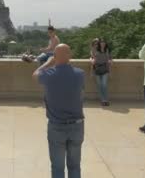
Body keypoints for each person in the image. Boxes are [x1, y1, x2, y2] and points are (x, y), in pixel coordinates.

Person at [33, 44, 84, 178]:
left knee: (57, 167)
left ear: (55, 57)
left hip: (56, 126)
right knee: (75, 165)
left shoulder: (49, 75)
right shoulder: (80, 74)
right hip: (77, 126)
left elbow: (35, 75)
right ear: (70, 56)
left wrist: (48, 63)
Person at [91, 38, 113, 106]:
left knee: (104, 84)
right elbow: (92, 59)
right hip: (97, 69)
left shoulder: (107, 50)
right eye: (101, 42)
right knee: (99, 85)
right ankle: (103, 100)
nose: (103, 43)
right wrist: (91, 72)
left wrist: (110, 70)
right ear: (99, 43)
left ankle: (106, 99)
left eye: (104, 42)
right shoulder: (95, 50)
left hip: (105, 69)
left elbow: (110, 59)